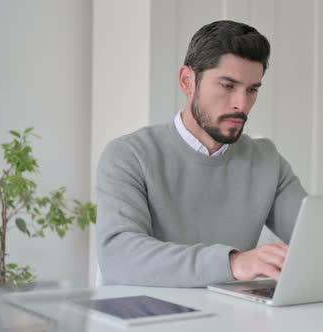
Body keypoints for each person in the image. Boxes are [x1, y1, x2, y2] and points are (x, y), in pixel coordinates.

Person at [96, 20, 307, 287]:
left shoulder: (266, 160)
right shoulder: (128, 155)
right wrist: (233, 263)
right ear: (187, 81)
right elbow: (118, 255)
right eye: (227, 86)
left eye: (252, 89)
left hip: (231, 317)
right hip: (148, 317)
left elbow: (314, 241)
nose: (241, 104)